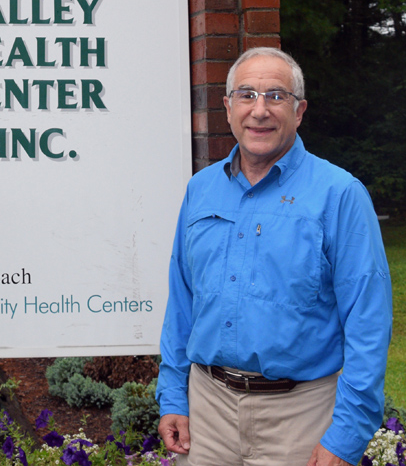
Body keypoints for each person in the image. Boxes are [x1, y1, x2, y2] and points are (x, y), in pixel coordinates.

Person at [156, 47, 392, 466]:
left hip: (300, 418)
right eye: (246, 95)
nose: (259, 110)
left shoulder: (339, 194)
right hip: (207, 414)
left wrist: (346, 434)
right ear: (228, 107)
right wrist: (174, 394)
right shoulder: (201, 190)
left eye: (276, 96)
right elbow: (183, 302)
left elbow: (368, 323)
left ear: (299, 111)